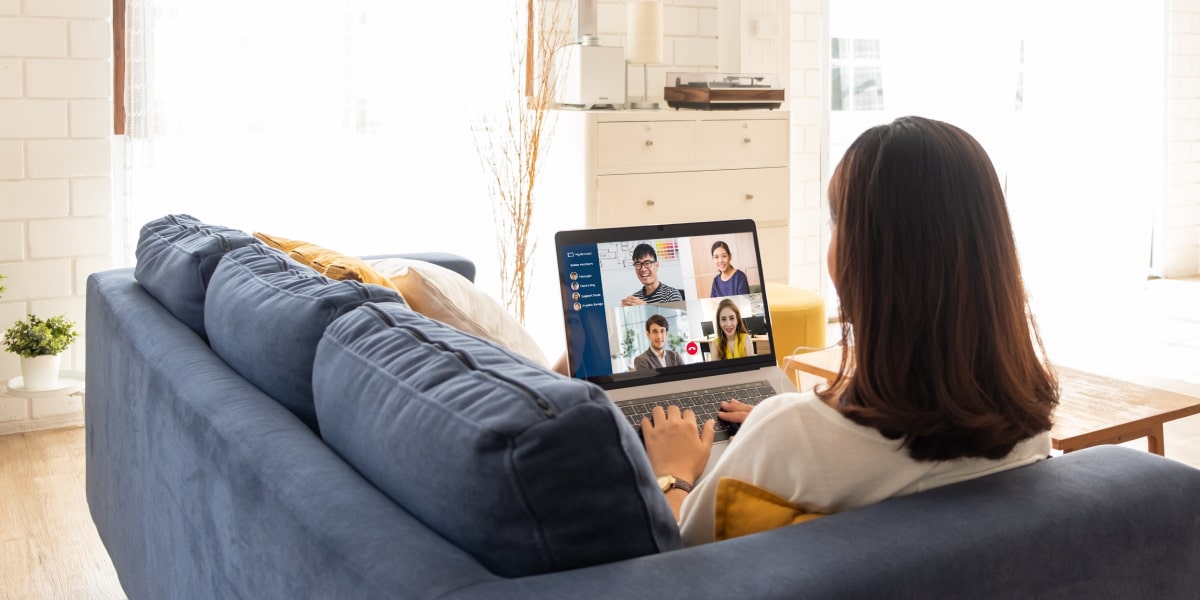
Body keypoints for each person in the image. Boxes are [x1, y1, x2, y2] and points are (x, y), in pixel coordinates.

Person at [641, 116, 1060, 545]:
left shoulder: (789, 438)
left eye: (836, 222)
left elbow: (680, 556)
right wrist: (784, 426)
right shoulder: (1029, 432)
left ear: (861, 259)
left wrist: (672, 473)